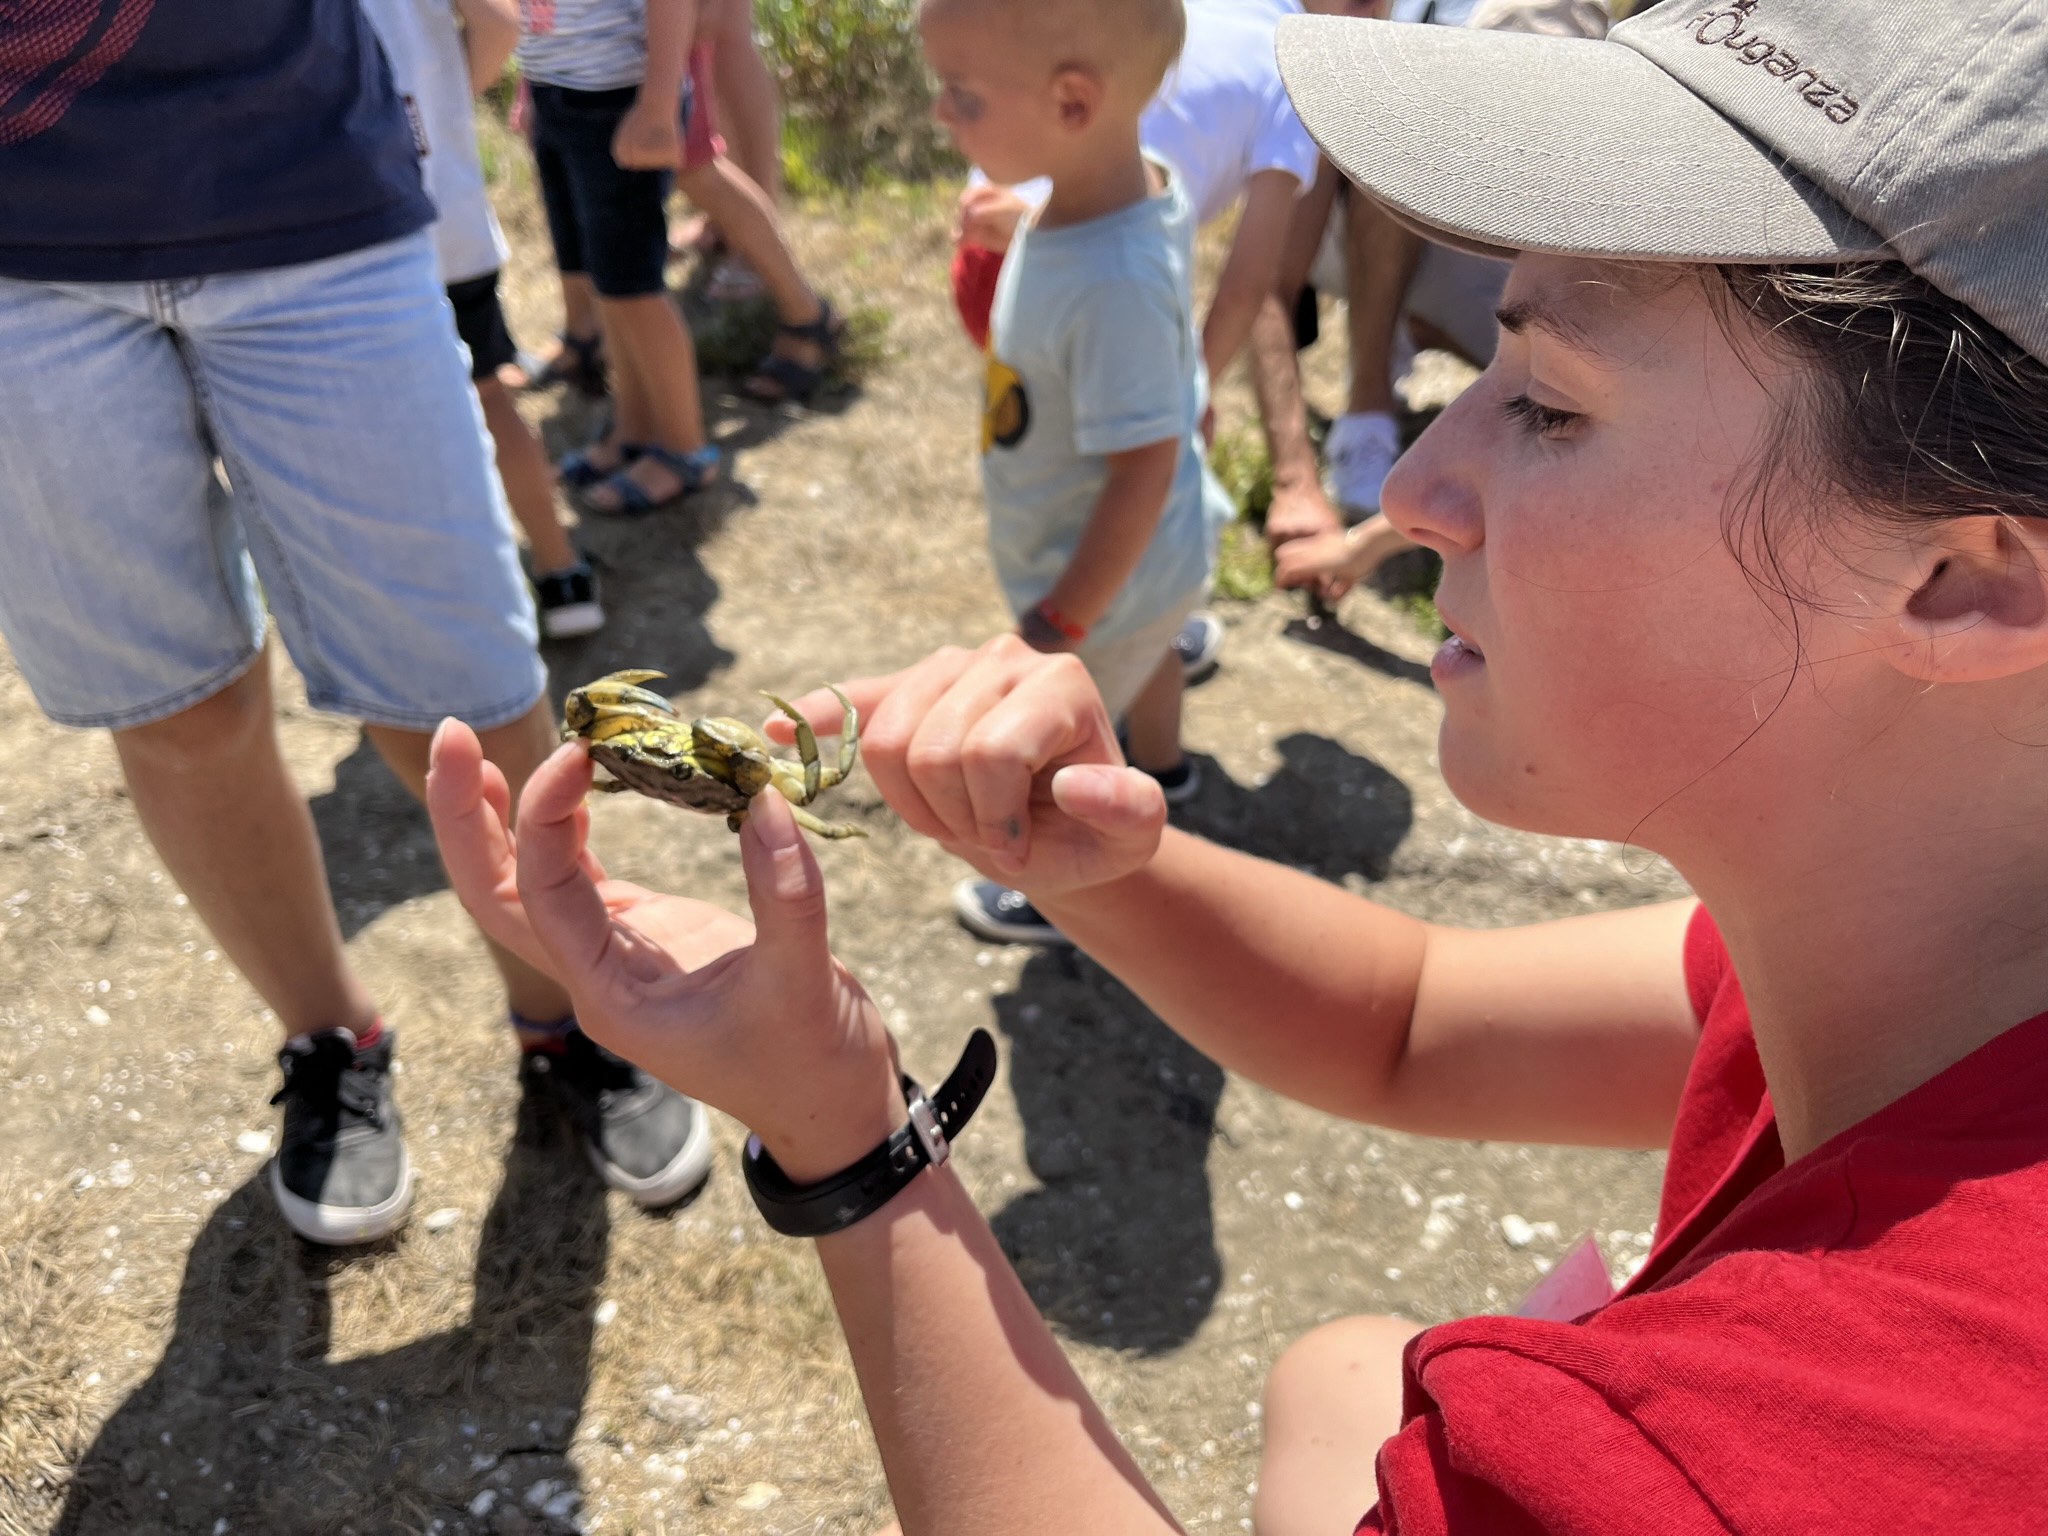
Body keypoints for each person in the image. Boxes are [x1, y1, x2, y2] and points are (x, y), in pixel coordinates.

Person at [425, 0, 2048, 1527]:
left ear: (1961, 577)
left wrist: (842, 1129)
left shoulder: (1729, 1457)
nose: (1410, 485)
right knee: (1336, 1374)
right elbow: (1412, 1027)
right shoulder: (1922, 954)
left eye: (1545, 407)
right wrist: (1073, 850)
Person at [0, 0, 710, 1245]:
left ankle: (570, 1016)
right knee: (173, 711)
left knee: (462, 685)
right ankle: (329, 1036)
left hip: (306, 183)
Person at [920, 0, 1234, 945]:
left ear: (1072, 102)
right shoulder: (1136, 189)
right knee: (1150, 656)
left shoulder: (1111, 283)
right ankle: (1167, 773)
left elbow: (1140, 470)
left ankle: (1073, 891)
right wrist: (1032, 216)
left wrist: (1057, 626)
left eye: (961, 95)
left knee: (1065, 717)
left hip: (1098, 568)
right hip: (1158, 559)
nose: (942, 114)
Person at [950, 0, 1341, 679]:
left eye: (955, 93)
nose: (938, 112)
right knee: (1110, 468)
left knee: (1099, 467)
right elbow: (1250, 282)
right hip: (1061, 251)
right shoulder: (1297, 69)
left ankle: (1102, 624)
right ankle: (1125, 626)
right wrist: (1190, 391)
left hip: (1029, 241)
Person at [359, 0, 607, 639]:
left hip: (340, 236)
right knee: (491, 396)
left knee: (371, 428)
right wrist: (439, 99)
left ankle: (428, 606)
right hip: (445, 221)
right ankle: (562, 570)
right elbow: (500, 22)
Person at [521, 0, 724, 514]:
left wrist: (657, 105)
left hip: (618, 99)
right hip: (557, 92)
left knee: (634, 287)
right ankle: (633, 428)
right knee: (603, 281)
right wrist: (531, 85)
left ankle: (685, 449)